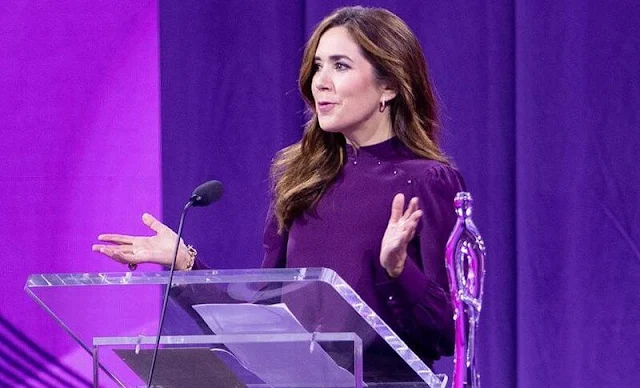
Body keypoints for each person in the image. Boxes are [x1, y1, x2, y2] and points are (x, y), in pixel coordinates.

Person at [93, 5, 464, 371]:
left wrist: (397, 271)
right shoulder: (303, 179)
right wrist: (185, 265)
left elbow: (448, 334)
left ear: (390, 86)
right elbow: (263, 316)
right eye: (318, 65)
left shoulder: (428, 181)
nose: (320, 81)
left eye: (341, 65)